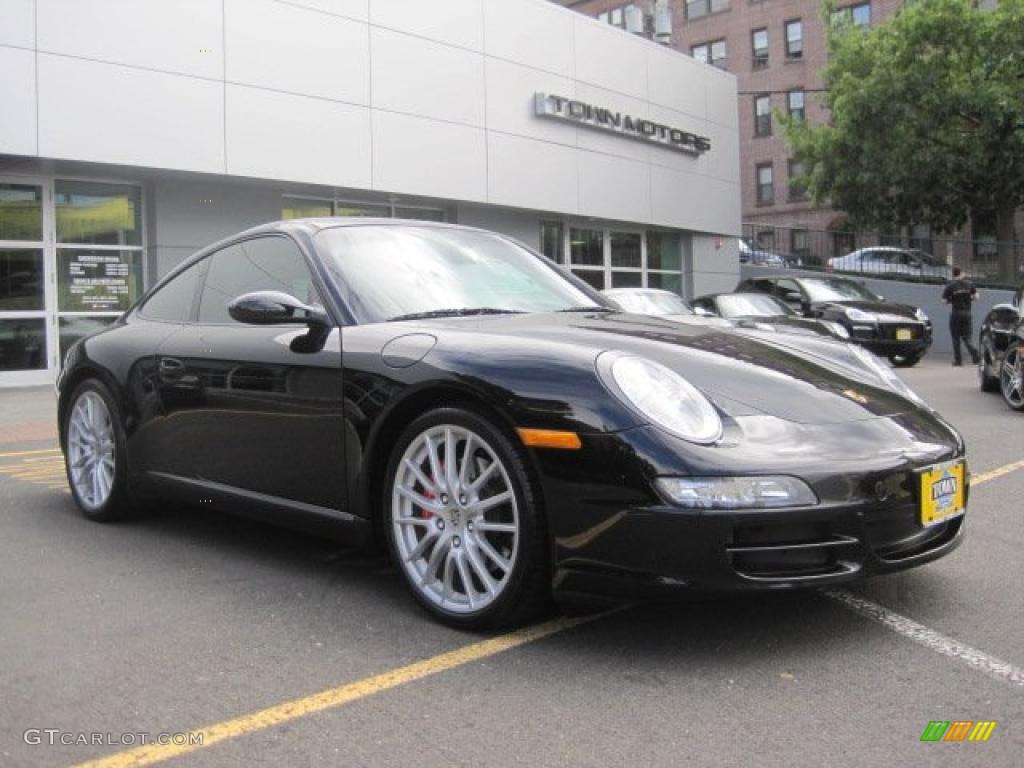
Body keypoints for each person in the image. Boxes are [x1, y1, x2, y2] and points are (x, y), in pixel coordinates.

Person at [941, 266, 979, 366]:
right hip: (967, 313)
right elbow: (976, 297)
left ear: (953, 274)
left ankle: (958, 360)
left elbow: (944, 301)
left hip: (956, 314)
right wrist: (968, 298)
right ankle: (975, 354)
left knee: (956, 338)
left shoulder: (950, 286)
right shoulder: (969, 284)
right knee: (967, 337)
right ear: (961, 273)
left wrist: (952, 300)